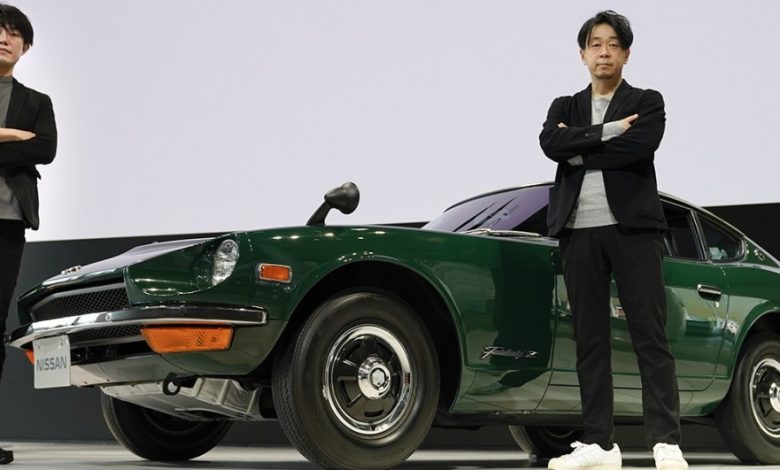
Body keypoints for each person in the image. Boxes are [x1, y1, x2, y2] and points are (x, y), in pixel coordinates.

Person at [538, 10, 686, 470]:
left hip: (633, 231)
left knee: (649, 335)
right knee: (589, 340)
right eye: (595, 44)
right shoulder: (564, 106)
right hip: (578, 231)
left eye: (613, 44)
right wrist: (608, 132)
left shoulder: (647, 100)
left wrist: (580, 150)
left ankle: (665, 441)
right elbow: (550, 144)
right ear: (582, 54)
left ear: (626, 53)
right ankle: (600, 445)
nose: (604, 52)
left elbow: (640, 147)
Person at [0, 3, 56, 465]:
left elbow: (47, 149)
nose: (4, 39)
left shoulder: (37, 102)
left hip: (7, 223)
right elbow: (30, 147)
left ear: (26, 46)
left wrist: (24, 139)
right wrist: (12, 136)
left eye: (14, 33)